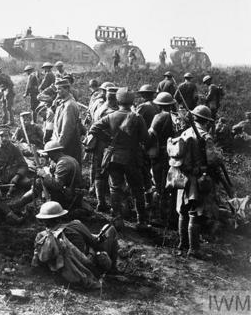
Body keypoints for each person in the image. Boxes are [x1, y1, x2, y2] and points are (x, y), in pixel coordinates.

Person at [89, 88, 150, 229]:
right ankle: (141, 222)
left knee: (115, 188)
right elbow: (145, 138)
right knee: (137, 189)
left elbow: (93, 129)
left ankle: (117, 219)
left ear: (118, 100)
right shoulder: (137, 117)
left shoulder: (111, 116)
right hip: (132, 158)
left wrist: (109, 139)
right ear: (132, 101)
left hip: (114, 157)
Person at [31, 202, 119, 288]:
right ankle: (112, 271)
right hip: (88, 269)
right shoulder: (76, 225)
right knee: (109, 229)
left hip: (62, 275)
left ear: (43, 221)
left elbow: (38, 260)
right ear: (60, 217)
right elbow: (96, 244)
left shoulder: (41, 236)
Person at [173, 105, 221, 258]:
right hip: (198, 178)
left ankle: (183, 244)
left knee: (183, 210)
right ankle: (193, 249)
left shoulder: (186, 132)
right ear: (206, 121)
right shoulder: (205, 136)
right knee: (196, 212)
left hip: (183, 176)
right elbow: (213, 159)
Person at [148, 92, 176, 222]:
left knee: (158, 184)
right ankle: (169, 215)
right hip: (172, 155)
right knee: (169, 184)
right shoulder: (176, 118)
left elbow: (151, 135)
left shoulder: (158, 117)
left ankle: (156, 216)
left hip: (159, 155)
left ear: (159, 105)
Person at [89, 86, 118, 212]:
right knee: (108, 172)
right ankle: (108, 204)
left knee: (98, 172)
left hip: (99, 144)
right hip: (105, 145)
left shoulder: (101, 107)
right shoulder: (109, 111)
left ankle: (101, 202)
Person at [0, 125, 30, 195]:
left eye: (6, 136)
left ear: (10, 136)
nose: (4, 138)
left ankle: (9, 187)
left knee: (27, 183)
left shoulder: (14, 148)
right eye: (1, 136)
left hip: (11, 176)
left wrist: (16, 177)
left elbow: (24, 165)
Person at [53, 78, 82, 164]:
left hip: (69, 145)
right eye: (56, 89)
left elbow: (67, 130)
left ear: (67, 89)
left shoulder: (69, 105)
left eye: (59, 89)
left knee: (70, 169)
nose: (57, 91)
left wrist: (58, 148)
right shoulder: (63, 103)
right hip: (64, 143)